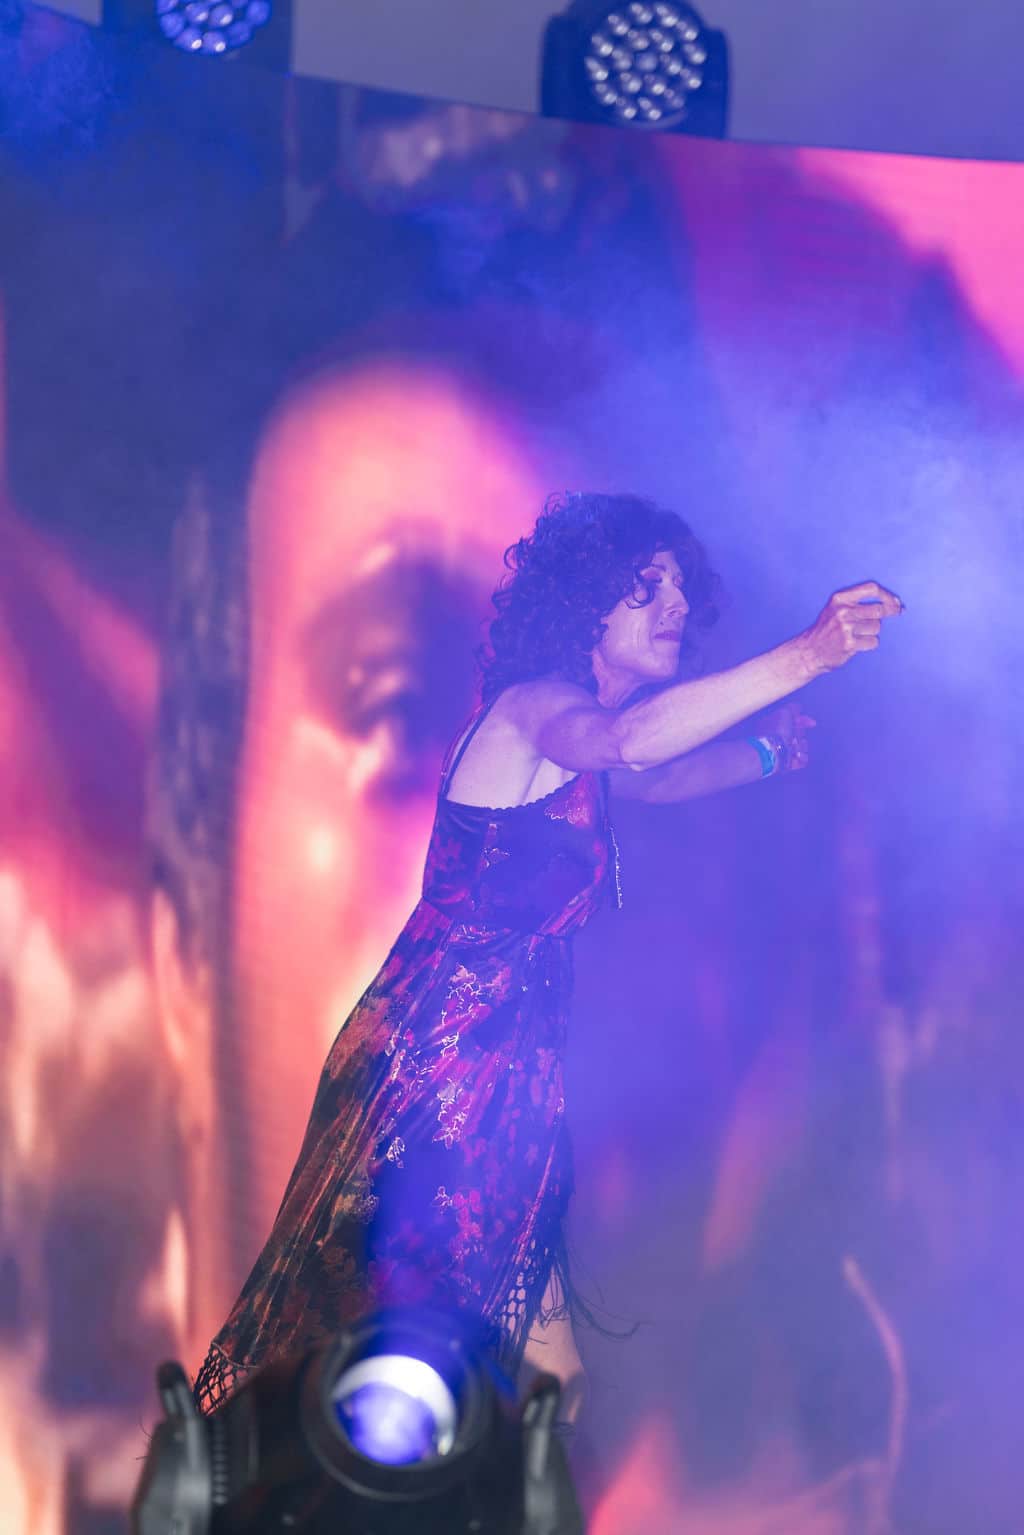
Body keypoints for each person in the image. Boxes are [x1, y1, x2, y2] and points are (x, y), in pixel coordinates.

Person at [191, 490, 902, 1416]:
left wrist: (770, 755)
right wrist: (808, 653)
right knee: (398, 1366)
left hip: (511, 1073)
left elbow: (659, 774)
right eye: (648, 585)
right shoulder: (535, 710)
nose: (676, 604)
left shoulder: (580, 747)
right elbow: (633, 743)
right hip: (439, 1069)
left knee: (551, 1381)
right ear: (583, 602)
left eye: (681, 588)